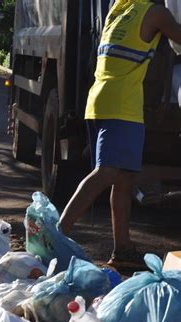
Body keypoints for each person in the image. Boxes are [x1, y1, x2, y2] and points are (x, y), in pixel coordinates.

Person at [58, 0, 181, 269]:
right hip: (122, 106)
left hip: (100, 99)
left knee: (124, 179)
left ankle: (122, 248)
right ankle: (56, 234)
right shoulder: (156, 13)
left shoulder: (120, 8)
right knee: (108, 172)